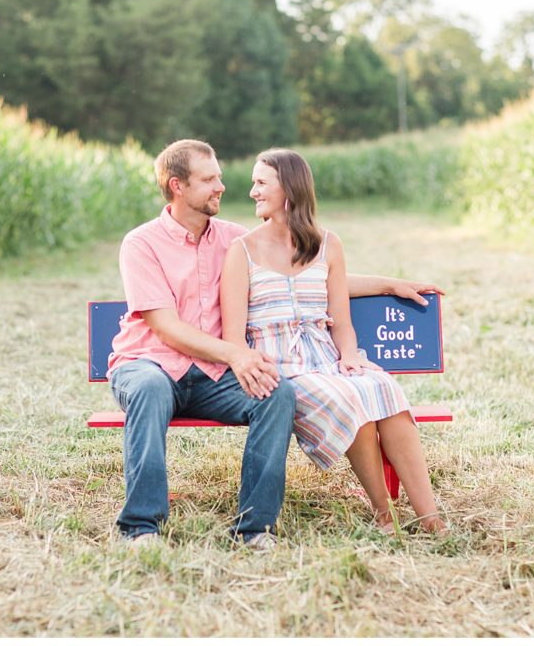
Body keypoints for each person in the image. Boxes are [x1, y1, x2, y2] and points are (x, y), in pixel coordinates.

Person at [108, 139, 443, 548]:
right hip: (153, 363)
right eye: (210, 178)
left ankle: (254, 529)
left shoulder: (234, 239)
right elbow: (164, 327)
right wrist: (237, 353)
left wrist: (389, 283)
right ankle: (141, 527)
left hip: (214, 372)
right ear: (177, 186)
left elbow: (307, 279)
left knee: (276, 394)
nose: (222, 186)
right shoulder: (142, 243)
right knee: (150, 388)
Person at [220, 148, 448, 535]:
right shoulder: (242, 251)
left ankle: (430, 517)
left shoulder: (328, 244)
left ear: (289, 189)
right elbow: (232, 334)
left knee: (383, 388)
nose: (252, 192)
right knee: (348, 398)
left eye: (261, 183)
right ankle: (383, 513)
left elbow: (340, 321)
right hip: (280, 368)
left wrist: (348, 356)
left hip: (325, 358)